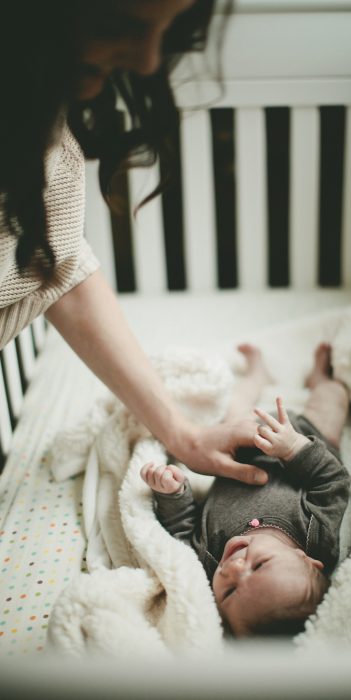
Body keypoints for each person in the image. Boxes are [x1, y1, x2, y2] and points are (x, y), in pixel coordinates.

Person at [0, 0, 265, 485]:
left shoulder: (37, 113)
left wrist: (184, 435)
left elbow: (56, 268)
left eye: (167, 29)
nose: (147, 61)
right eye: (118, 25)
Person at [141, 343, 351, 636]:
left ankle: (265, 375)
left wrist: (172, 493)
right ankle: (313, 377)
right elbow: (333, 481)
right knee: (332, 401)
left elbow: (181, 528)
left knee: (235, 406)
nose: (236, 569)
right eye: (260, 564)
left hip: (241, 447)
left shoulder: (209, 559)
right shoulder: (316, 535)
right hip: (309, 436)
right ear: (307, 560)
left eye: (229, 592)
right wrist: (294, 448)